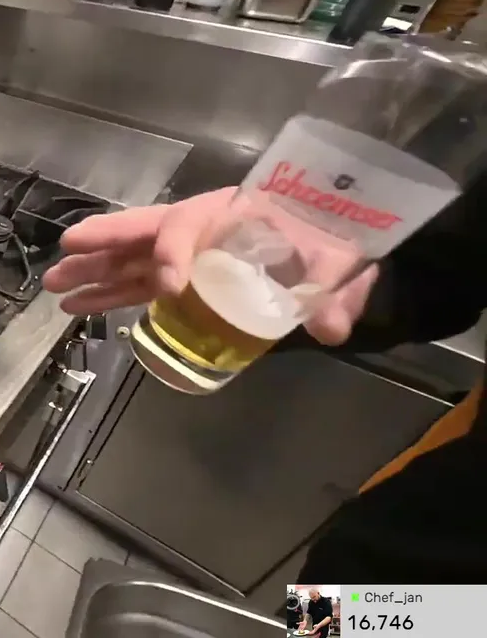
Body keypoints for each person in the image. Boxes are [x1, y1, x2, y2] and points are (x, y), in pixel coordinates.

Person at [42, 186, 487, 582]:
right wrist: (368, 280)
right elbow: (450, 273)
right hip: (385, 553)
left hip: (442, 599)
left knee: (324, 620)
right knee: (318, 620)